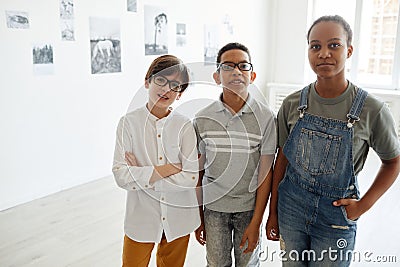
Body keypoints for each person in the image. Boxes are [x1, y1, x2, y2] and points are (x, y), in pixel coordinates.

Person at [266, 15, 400, 266]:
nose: (324, 53)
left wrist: (363, 206)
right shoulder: (292, 104)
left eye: (334, 45)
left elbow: (393, 162)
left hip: (335, 215)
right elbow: (281, 159)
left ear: (349, 50)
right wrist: (273, 213)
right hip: (291, 209)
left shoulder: (372, 109)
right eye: (315, 46)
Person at [112, 55, 200, 267]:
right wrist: (169, 169)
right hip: (141, 218)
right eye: (161, 80)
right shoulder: (128, 124)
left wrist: (142, 175)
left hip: (179, 218)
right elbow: (121, 175)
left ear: (179, 94)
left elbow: (190, 178)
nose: (167, 89)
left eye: (175, 85)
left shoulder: (185, 126)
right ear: (147, 81)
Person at [194, 42, 276, 266]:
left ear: (253, 75)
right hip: (214, 209)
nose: (236, 71)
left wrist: (257, 221)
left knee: (248, 264)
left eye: (243, 65)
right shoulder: (202, 119)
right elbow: (197, 172)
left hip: (249, 209)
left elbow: (265, 173)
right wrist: (198, 217)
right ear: (217, 76)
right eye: (228, 66)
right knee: (216, 263)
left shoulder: (267, 118)